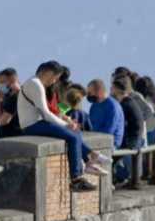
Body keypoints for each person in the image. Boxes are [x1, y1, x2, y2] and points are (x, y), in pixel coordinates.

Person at [16, 61, 106, 191]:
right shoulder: (35, 84)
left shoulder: (35, 83)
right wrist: (65, 124)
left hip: (37, 122)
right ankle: (76, 178)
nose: (54, 81)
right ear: (48, 73)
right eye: (55, 77)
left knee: (75, 133)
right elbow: (46, 114)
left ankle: (89, 160)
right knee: (73, 137)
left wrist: (67, 123)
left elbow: (48, 112)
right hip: (32, 125)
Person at [87, 79, 124, 148]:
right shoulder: (94, 105)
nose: (89, 95)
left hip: (111, 143)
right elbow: (91, 125)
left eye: (90, 93)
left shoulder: (113, 106)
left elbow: (109, 131)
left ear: (100, 91)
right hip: (95, 140)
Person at [0, 68, 23, 138]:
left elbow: (2, 121)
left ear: (12, 81)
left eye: (2, 82)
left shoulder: (14, 97)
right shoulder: (10, 97)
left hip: (11, 138)